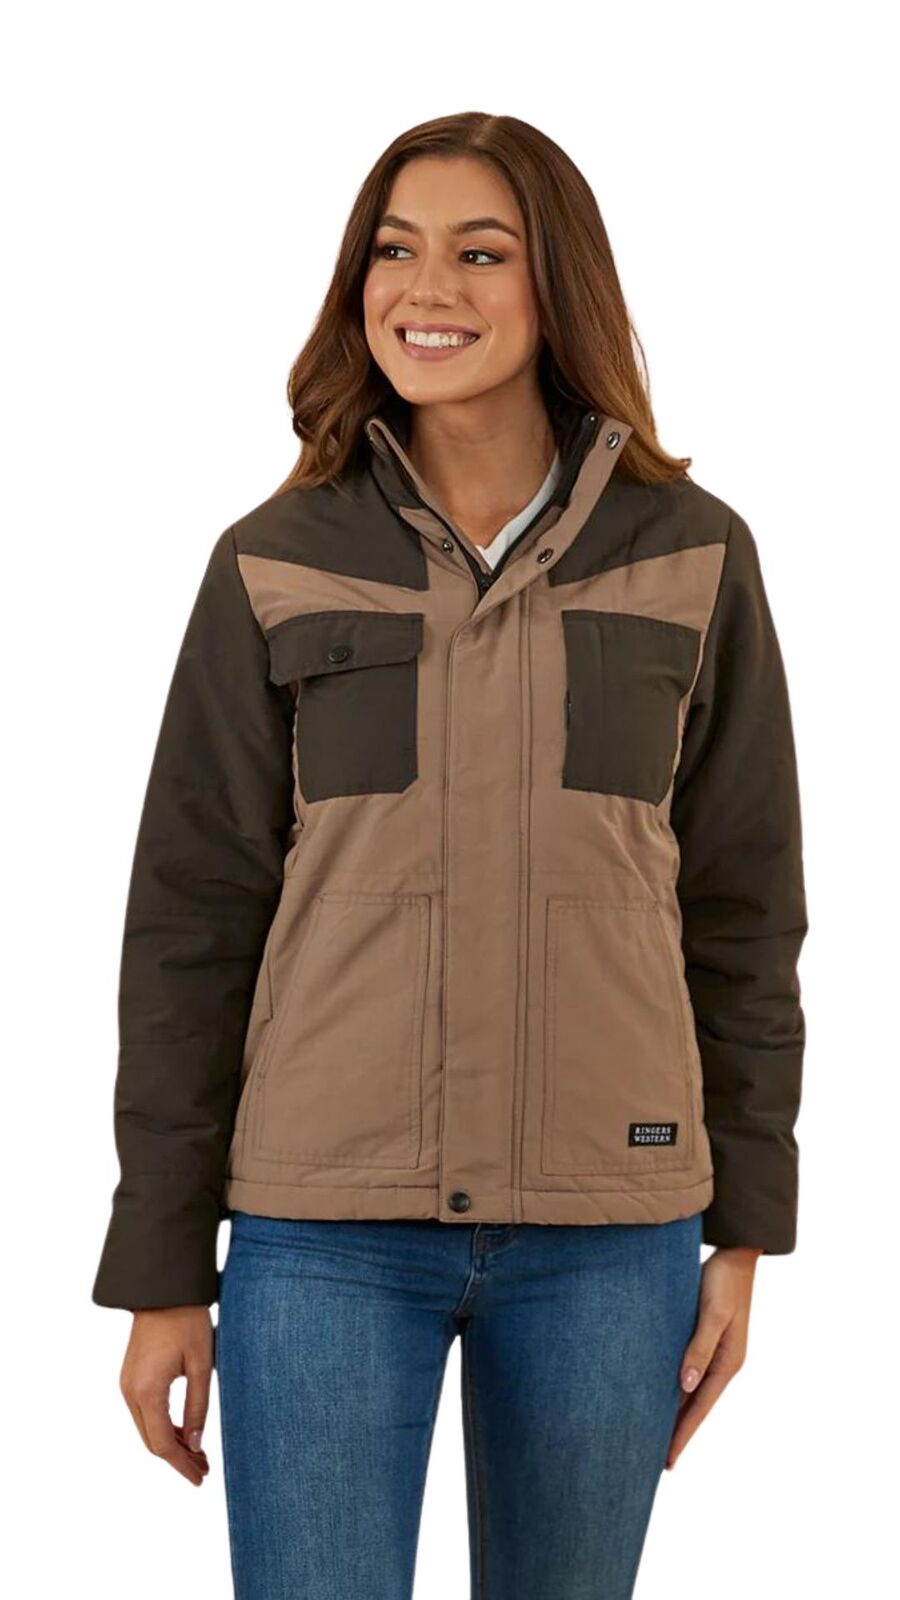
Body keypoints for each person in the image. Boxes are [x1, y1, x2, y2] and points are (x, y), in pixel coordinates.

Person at [92, 111, 808, 1599]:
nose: (428, 288)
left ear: (559, 286)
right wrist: (160, 1267)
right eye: (394, 250)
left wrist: (744, 1229)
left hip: (613, 1234)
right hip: (322, 1229)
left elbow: (744, 910)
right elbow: (190, 924)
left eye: (481, 252)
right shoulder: (275, 557)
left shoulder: (694, 554)